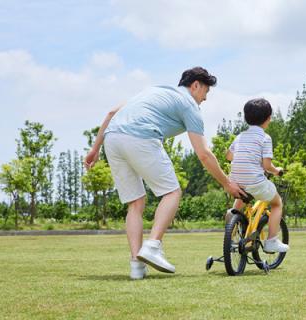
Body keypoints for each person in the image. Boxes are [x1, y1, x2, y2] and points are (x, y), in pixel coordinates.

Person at [84, 67, 245, 280]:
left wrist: (95, 149)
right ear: (195, 85)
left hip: (112, 139)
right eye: (205, 92)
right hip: (140, 137)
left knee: (136, 203)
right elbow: (204, 154)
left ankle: (137, 266)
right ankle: (153, 246)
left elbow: (111, 113)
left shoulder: (153, 91)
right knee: (172, 192)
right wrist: (227, 183)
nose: (204, 99)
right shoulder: (189, 105)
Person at [226, 98, 290, 253]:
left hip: (235, 181)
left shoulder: (240, 136)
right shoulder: (265, 138)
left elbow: (228, 156)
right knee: (277, 203)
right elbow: (267, 166)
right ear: (268, 118)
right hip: (255, 181)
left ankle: (231, 228)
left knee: (239, 202)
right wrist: (277, 171)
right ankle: (271, 241)